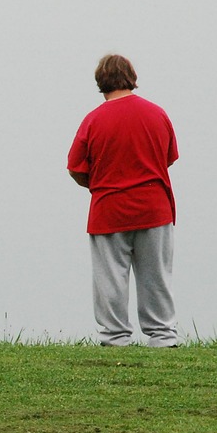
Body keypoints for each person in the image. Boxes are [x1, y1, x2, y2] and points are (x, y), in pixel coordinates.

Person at [67, 54, 179, 347]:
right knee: (156, 276)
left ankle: (115, 337)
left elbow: (76, 168)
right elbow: (168, 158)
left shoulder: (92, 121)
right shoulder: (157, 114)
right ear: (131, 77)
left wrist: (100, 184)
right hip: (154, 207)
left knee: (111, 280)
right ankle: (163, 336)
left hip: (109, 209)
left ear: (100, 82)